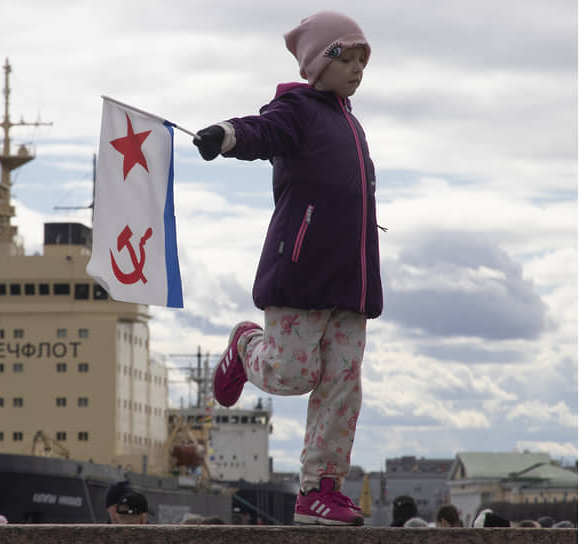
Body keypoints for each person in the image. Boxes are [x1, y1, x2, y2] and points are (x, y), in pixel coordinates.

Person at [193, 11, 381, 527]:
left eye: (366, 59)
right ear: (320, 62)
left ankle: (319, 491)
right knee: (291, 375)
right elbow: (263, 133)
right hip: (301, 273)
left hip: (352, 282)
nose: (360, 68)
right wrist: (227, 135)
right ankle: (247, 346)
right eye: (350, 57)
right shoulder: (296, 108)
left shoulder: (351, 122)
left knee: (342, 386)